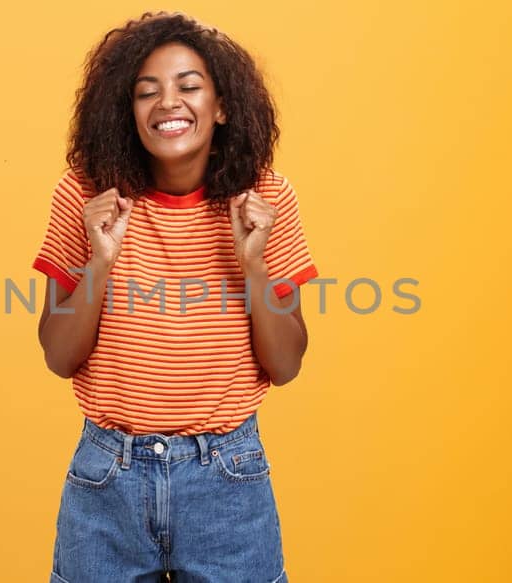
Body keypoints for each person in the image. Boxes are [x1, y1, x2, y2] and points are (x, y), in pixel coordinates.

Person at [33, 12, 317, 583]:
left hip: (227, 479)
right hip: (107, 479)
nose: (168, 103)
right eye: (147, 92)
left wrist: (252, 262)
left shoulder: (265, 197)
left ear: (221, 106)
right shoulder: (86, 196)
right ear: (127, 110)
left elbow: (285, 365)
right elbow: (59, 356)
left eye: (188, 86)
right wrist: (101, 260)